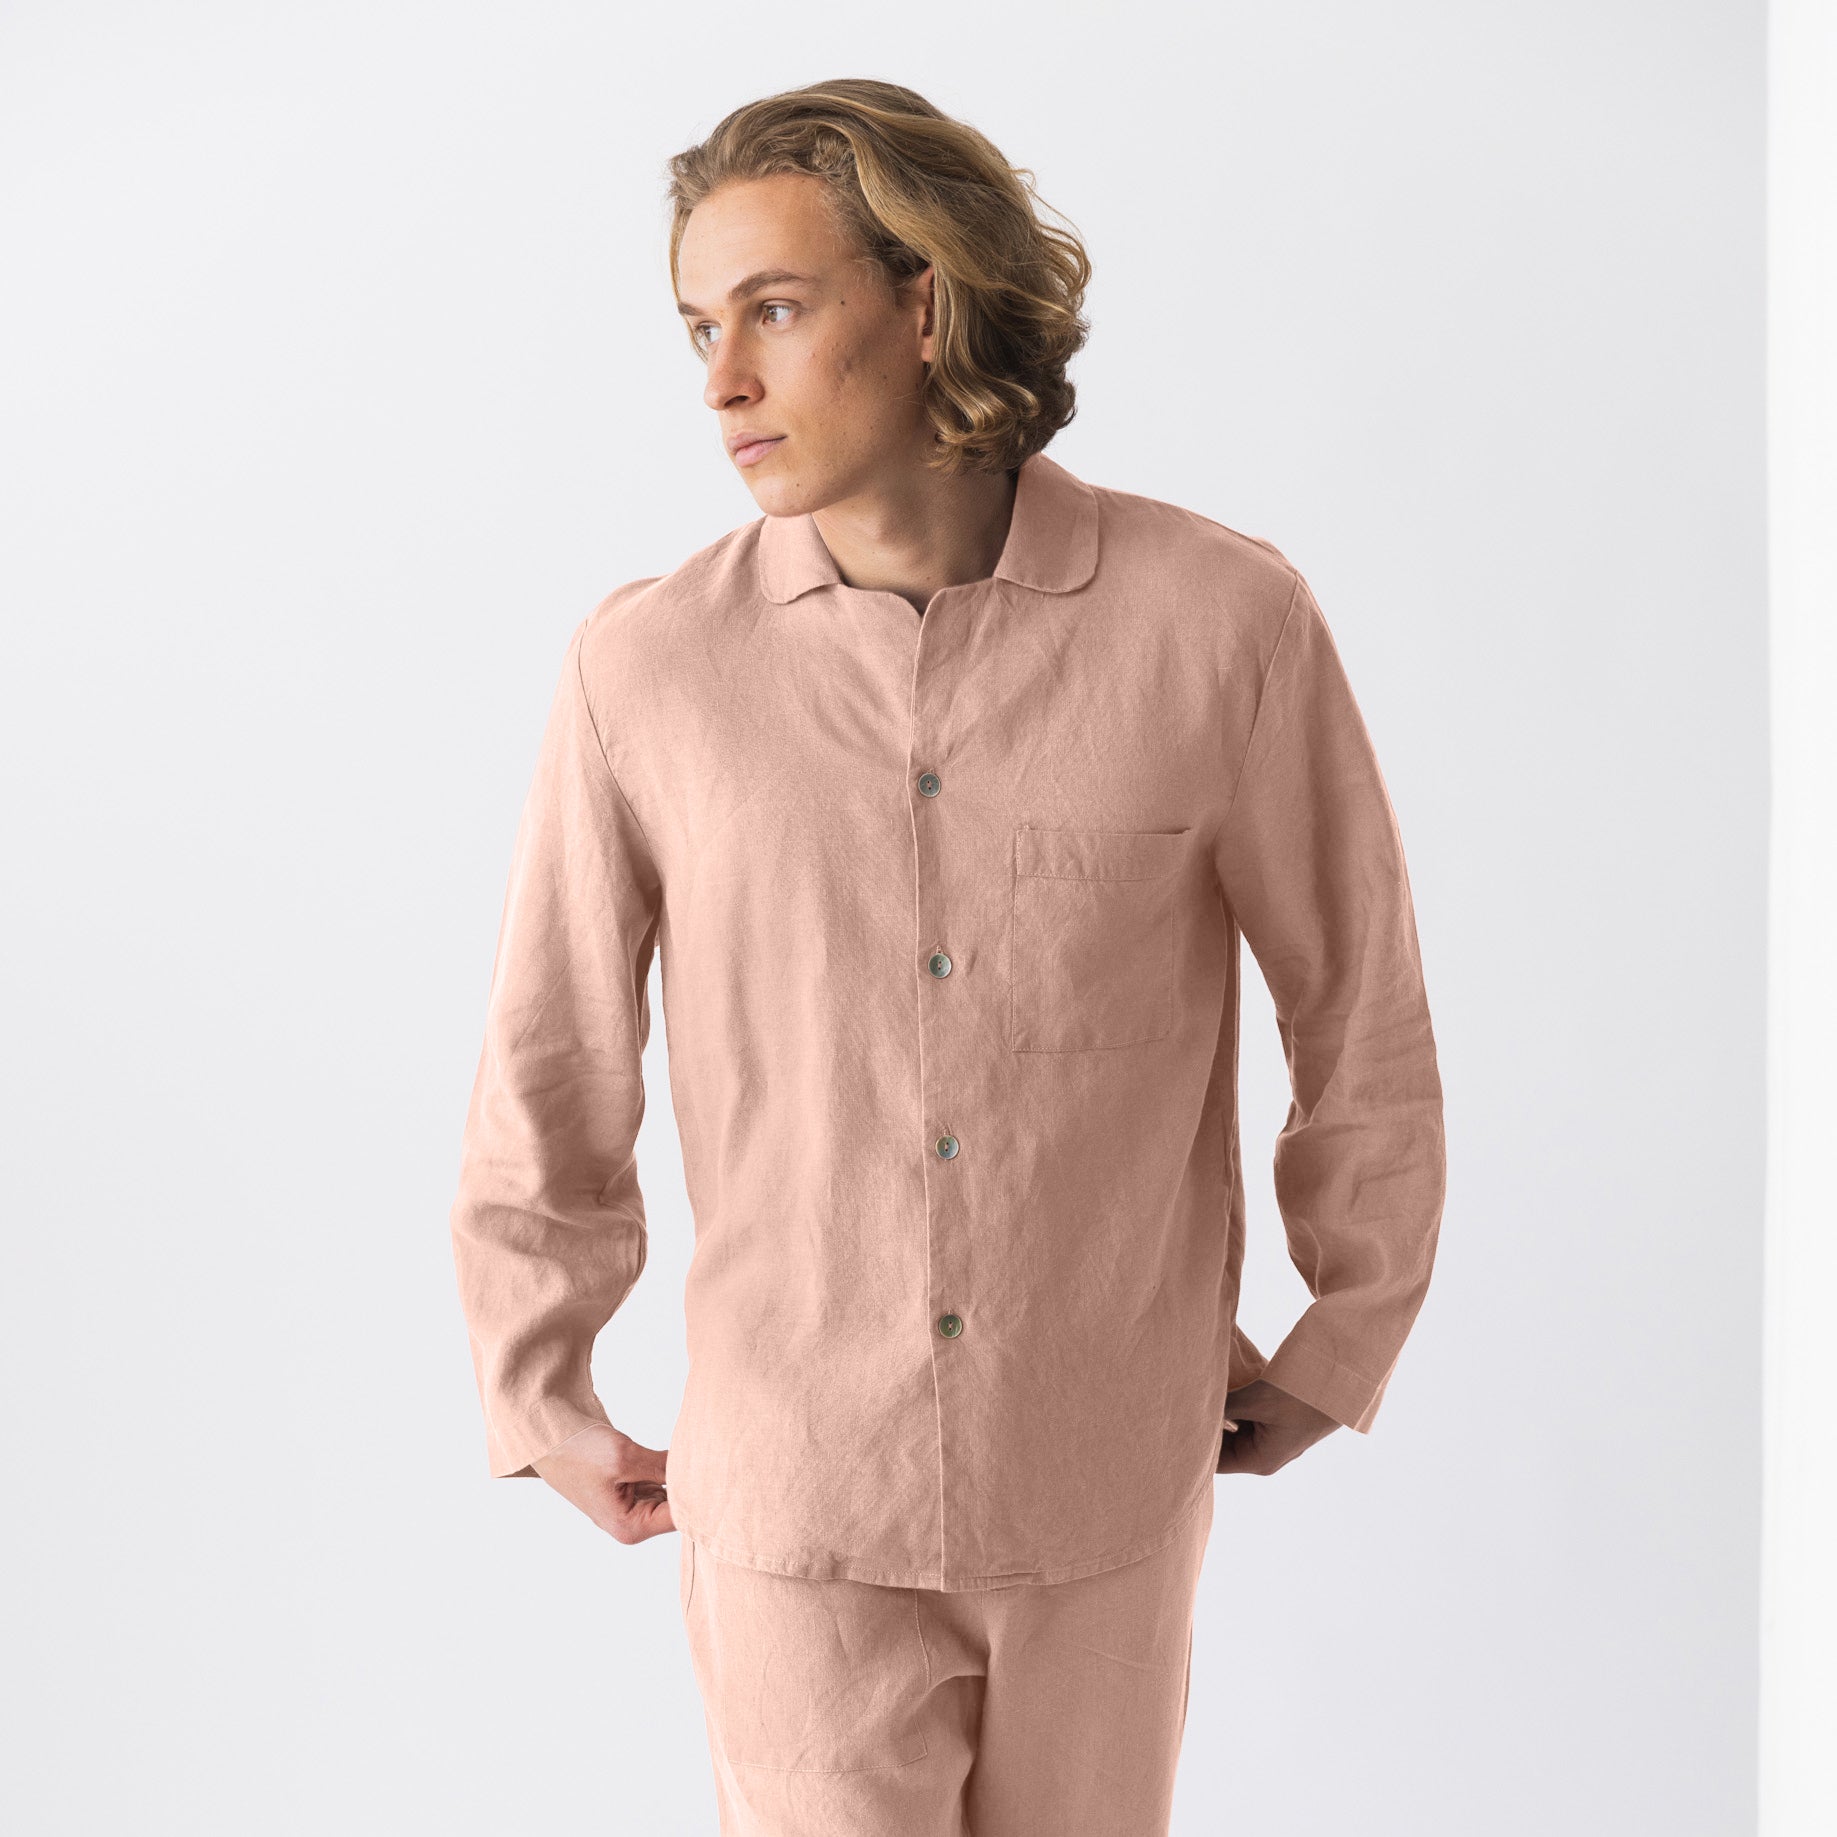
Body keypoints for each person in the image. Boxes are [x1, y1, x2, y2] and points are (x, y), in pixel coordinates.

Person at [448, 76, 1446, 1837]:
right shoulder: (646, 669)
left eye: (772, 307)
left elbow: (1355, 1006)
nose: (720, 381)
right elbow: (555, 1052)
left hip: (1103, 1471)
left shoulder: (1221, 626)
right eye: (697, 325)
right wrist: (538, 1381)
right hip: (790, 1492)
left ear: (922, 302)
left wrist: (1343, 1329)